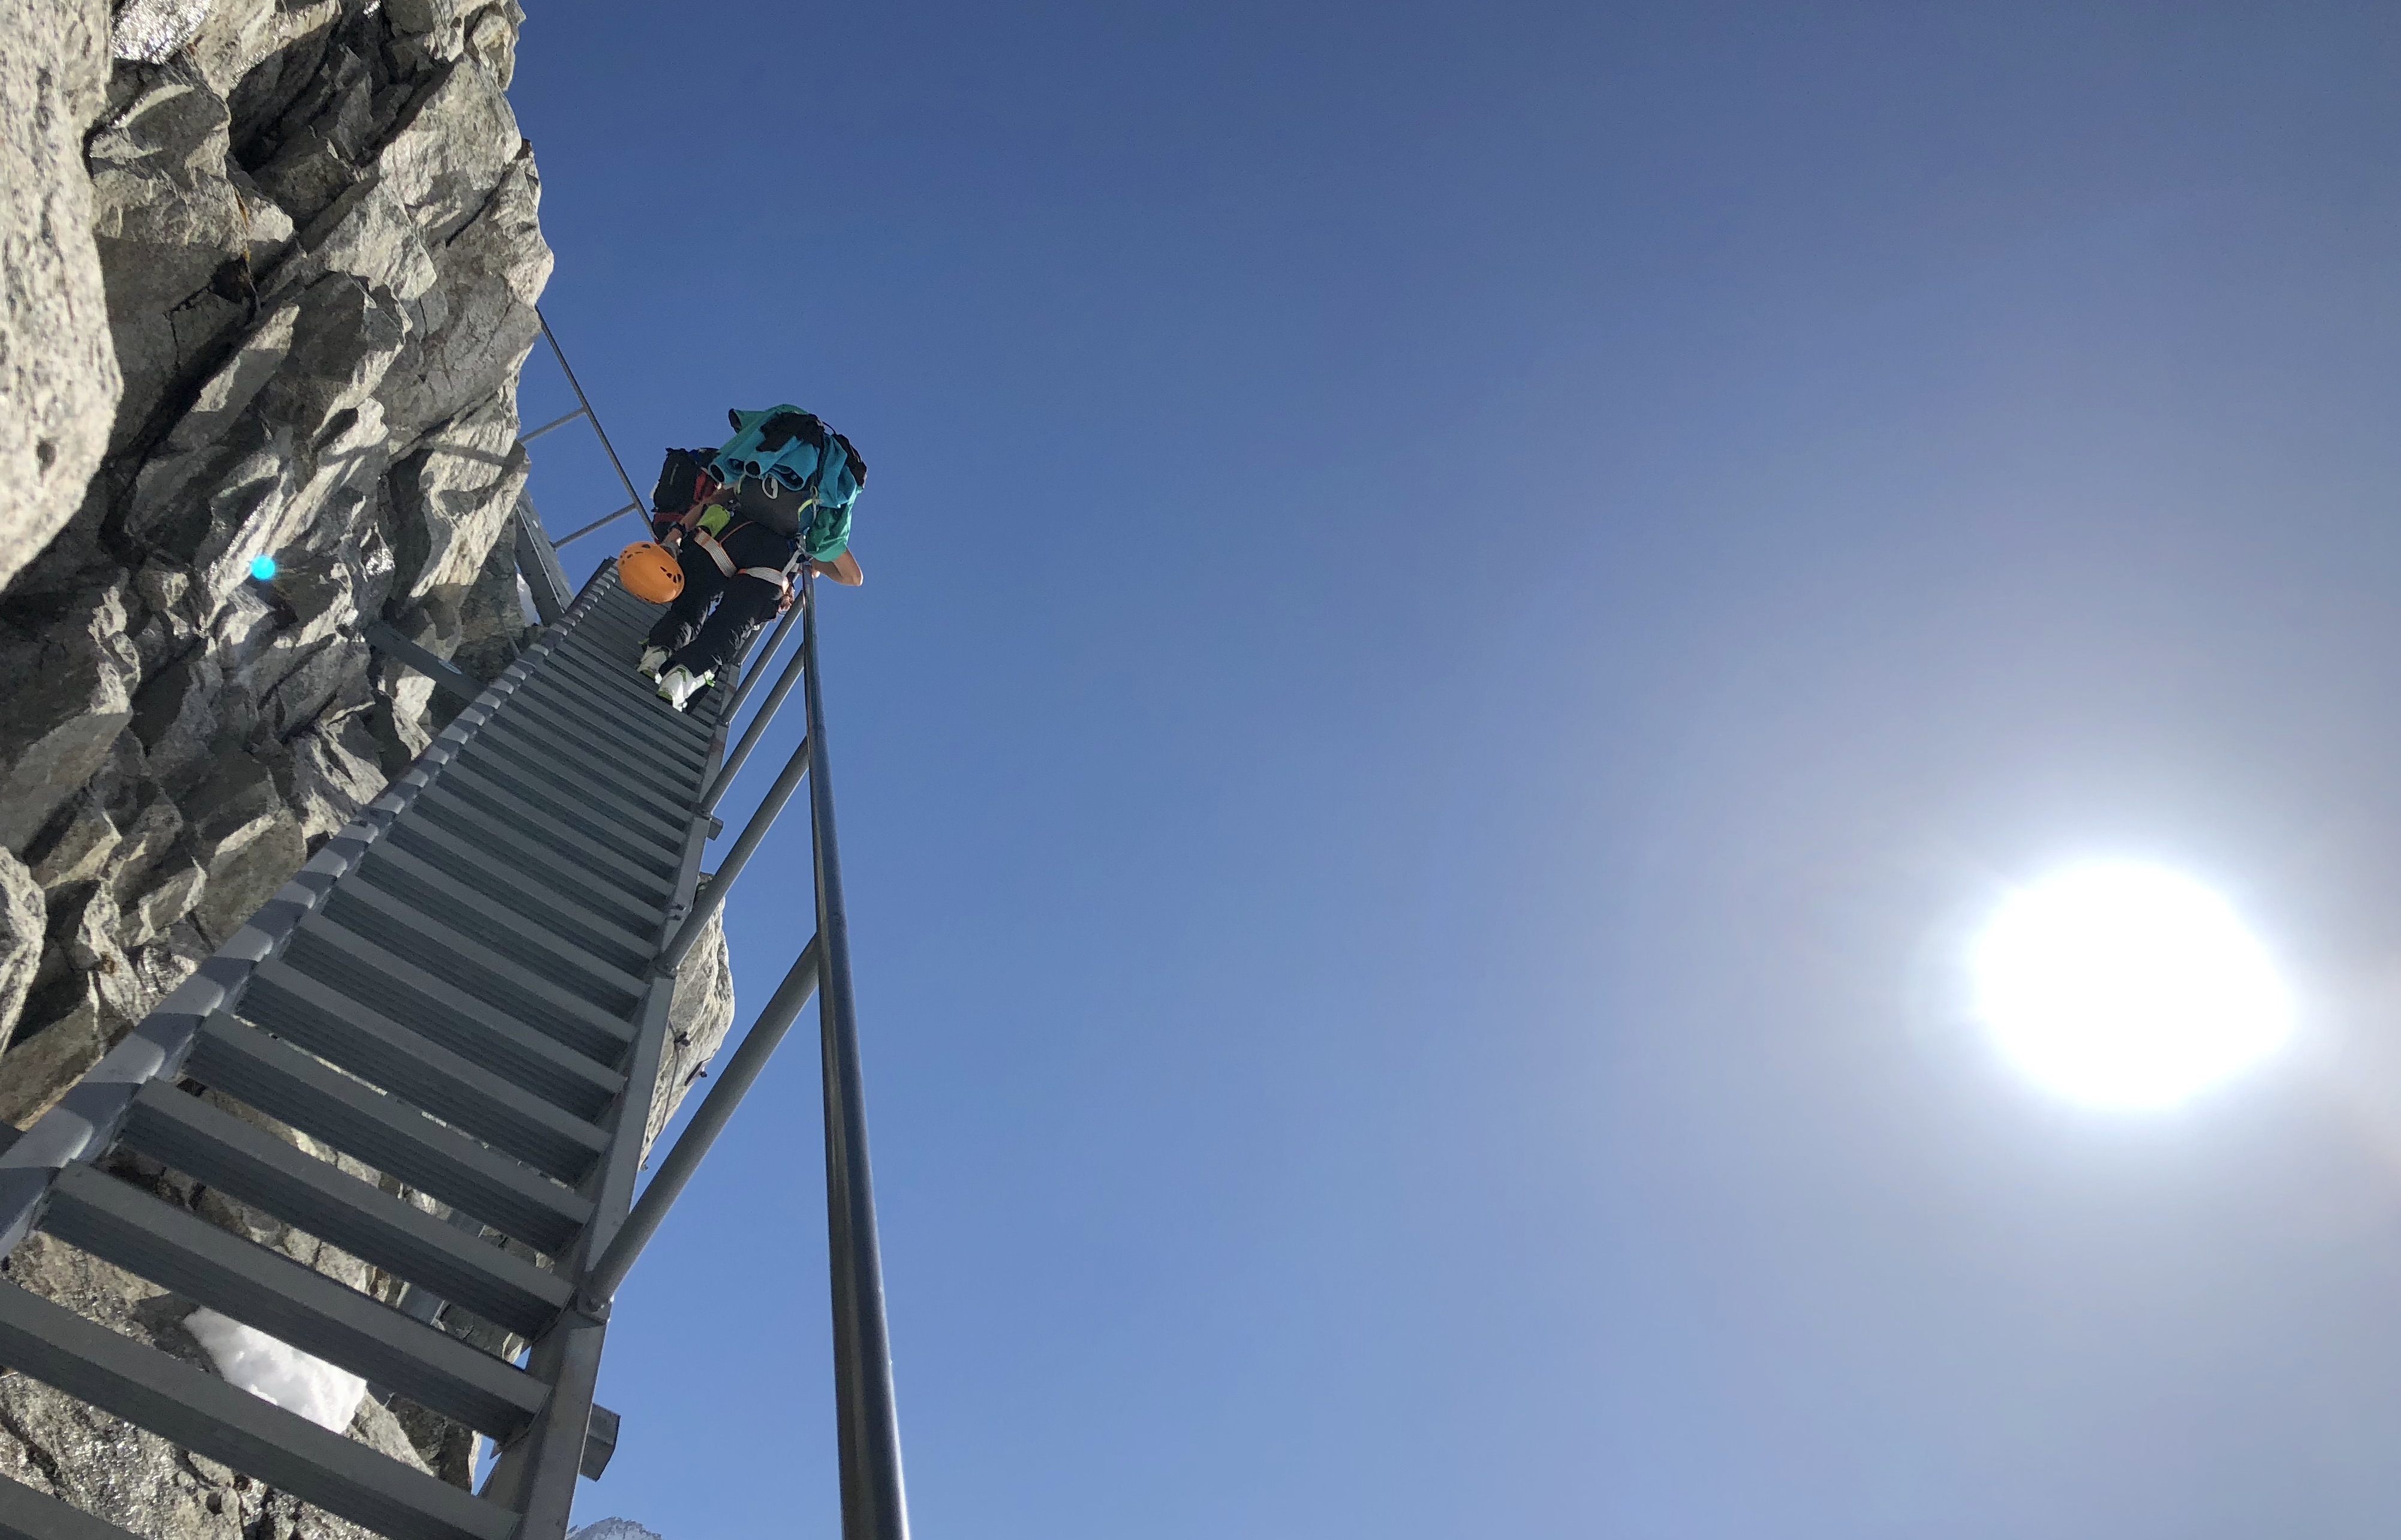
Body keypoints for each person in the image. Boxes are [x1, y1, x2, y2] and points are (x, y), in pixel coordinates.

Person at [637, 407, 866, 709]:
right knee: (732, 622)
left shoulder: (759, 468)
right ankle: (685, 675)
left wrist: (675, 536)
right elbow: (854, 578)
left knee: (693, 600)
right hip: (773, 561)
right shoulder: (816, 518)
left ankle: (658, 652)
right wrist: (813, 563)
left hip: (728, 535)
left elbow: (712, 501)